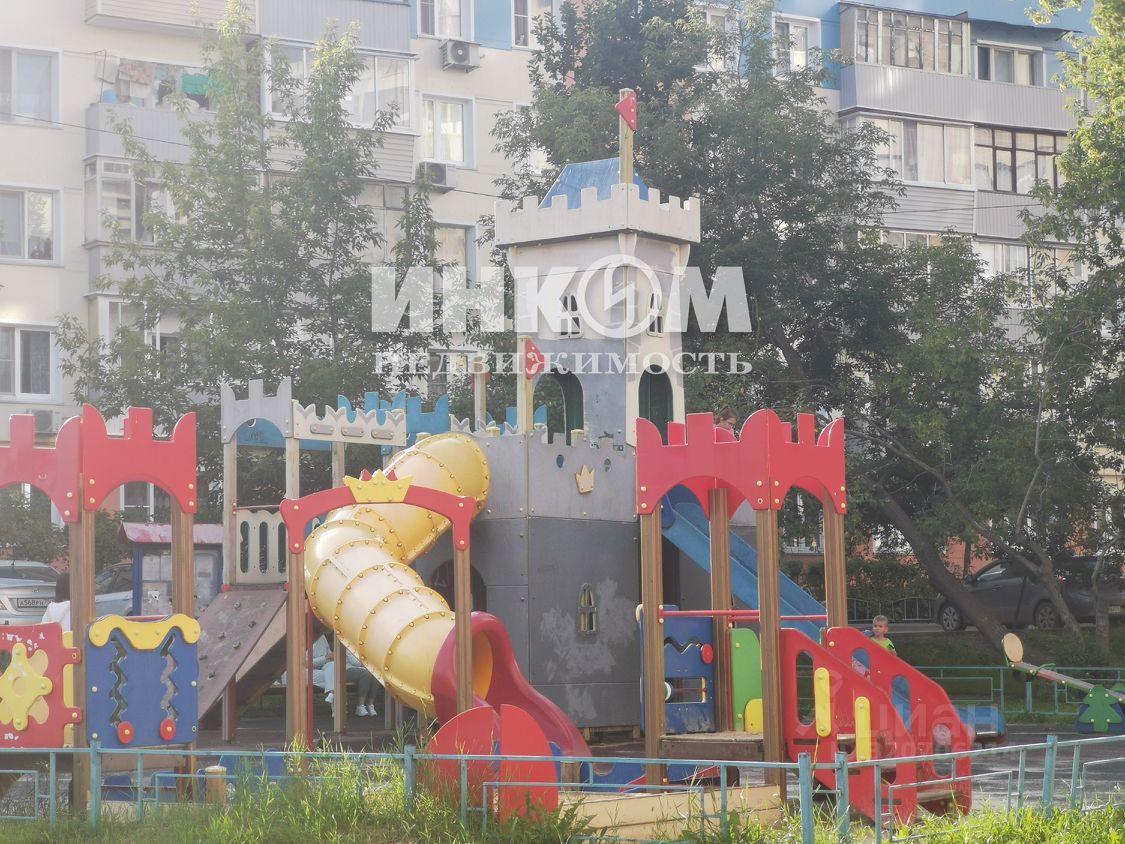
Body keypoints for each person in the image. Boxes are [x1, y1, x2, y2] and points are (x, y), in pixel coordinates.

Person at [322, 641, 380, 717]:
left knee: (376, 674)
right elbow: (355, 662)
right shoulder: (348, 642)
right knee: (366, 674)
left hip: (360, 668)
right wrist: (366, 662)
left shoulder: (366, 645)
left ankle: (370, 705)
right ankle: (360, 706)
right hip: (345, 669)